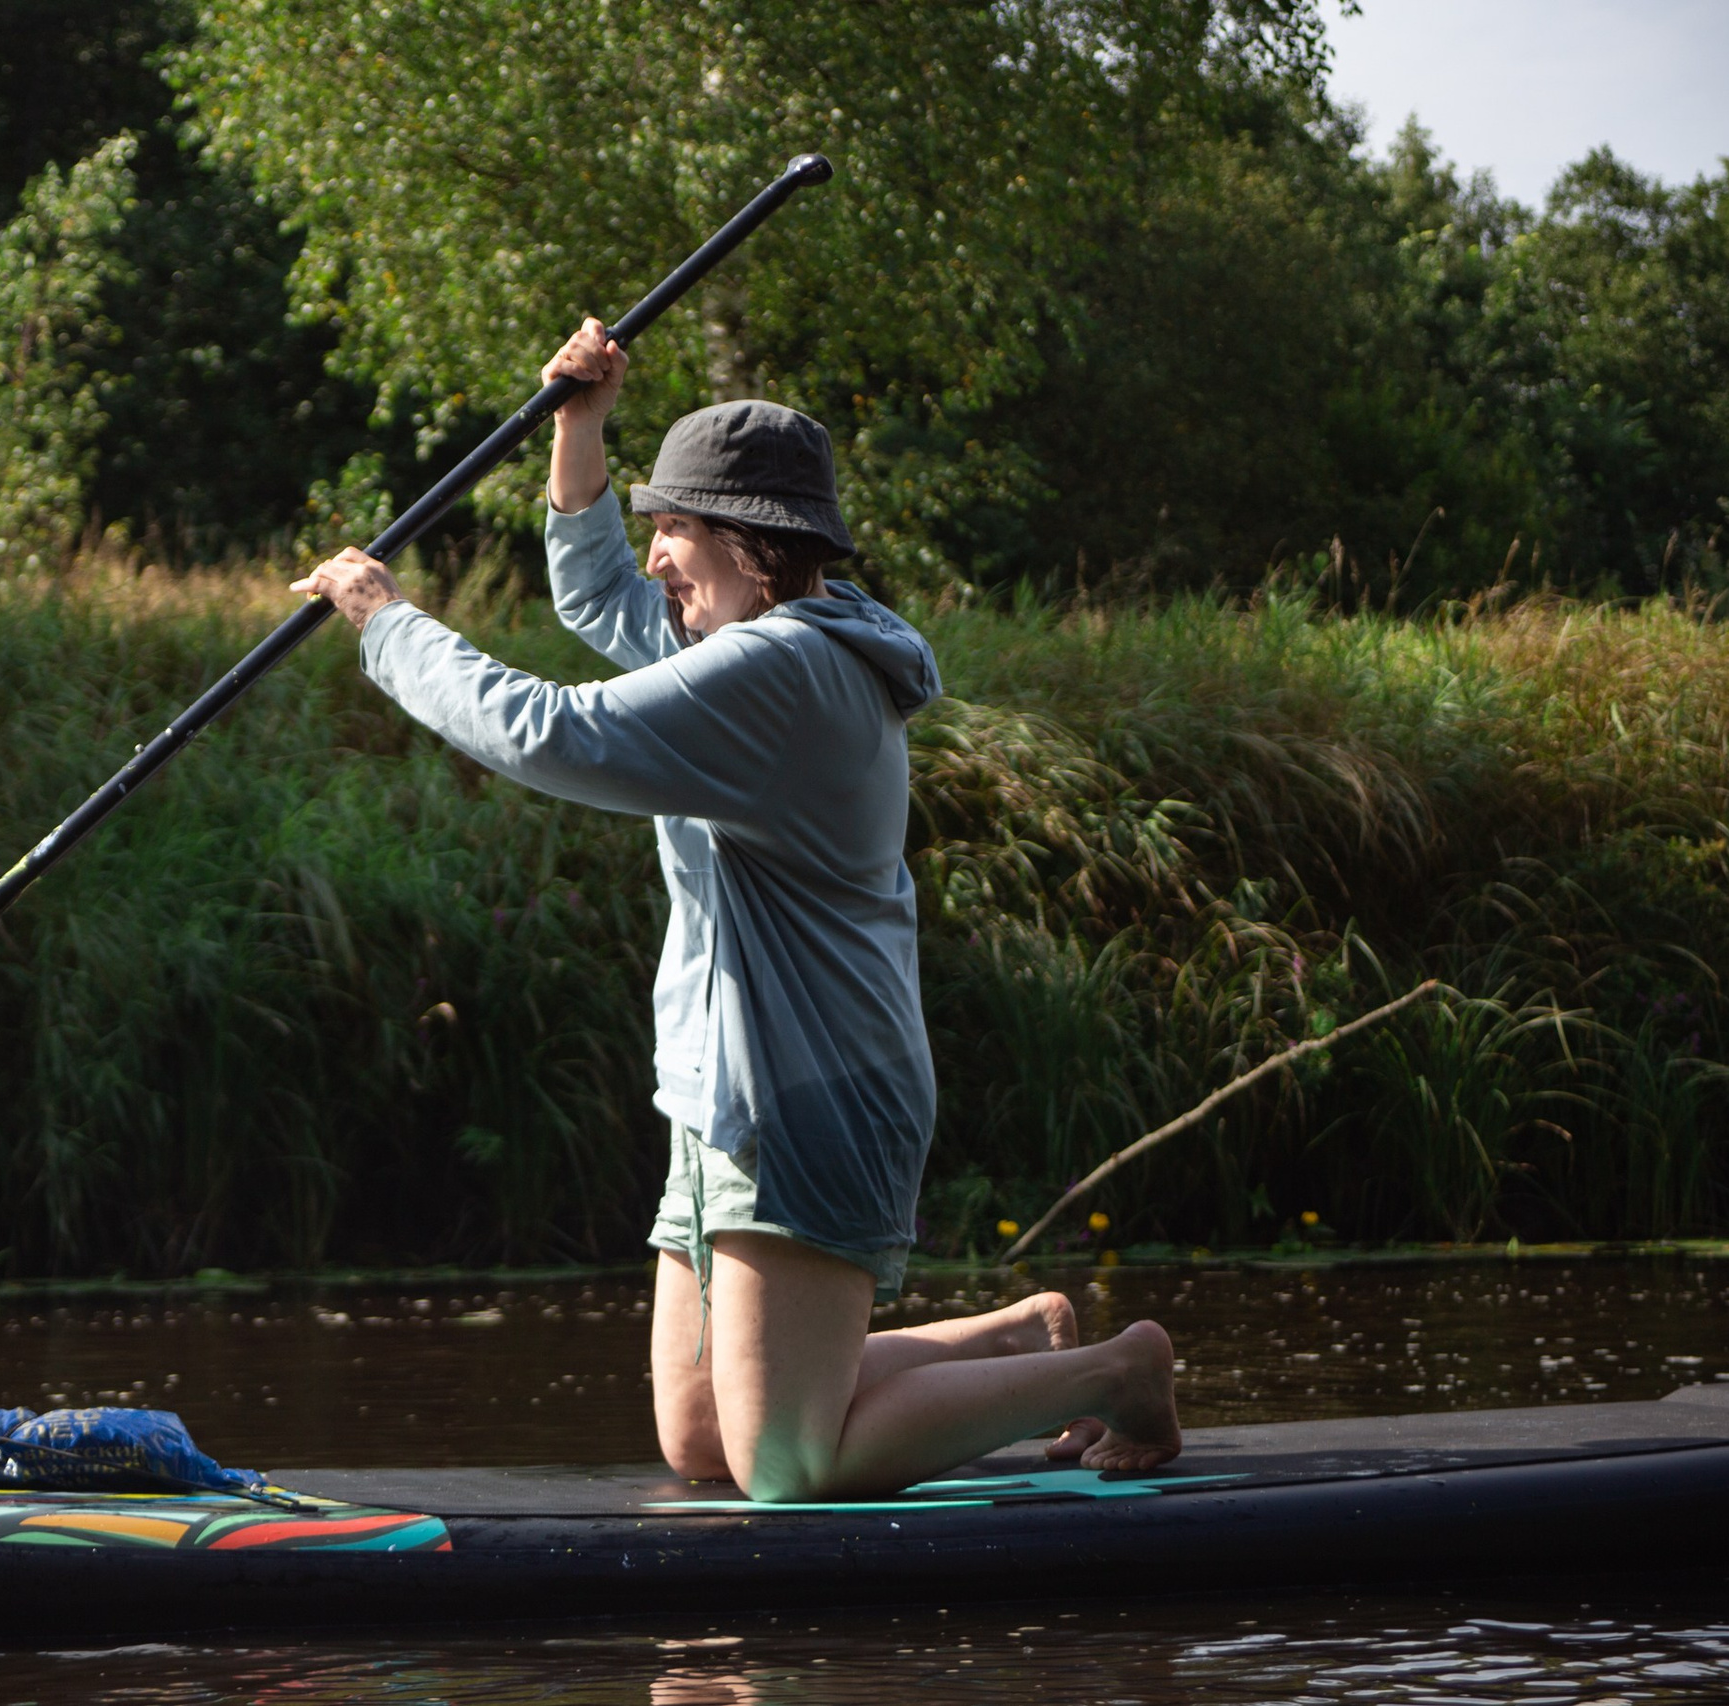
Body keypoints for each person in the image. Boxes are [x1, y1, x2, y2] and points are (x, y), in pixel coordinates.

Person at [292, 318, 1181, 1500]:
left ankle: (1118, 1370)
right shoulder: (753, 633)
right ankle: (1016, 1335)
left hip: (810, 1091)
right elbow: (600, 592)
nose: (656, 553)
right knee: (703, 1435)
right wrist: (581, 426)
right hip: (721, 1088)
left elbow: (547, 729)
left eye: (678, 528)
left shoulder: (787, 674)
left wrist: (386, 620)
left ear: (755, 549)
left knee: (785, 1462)